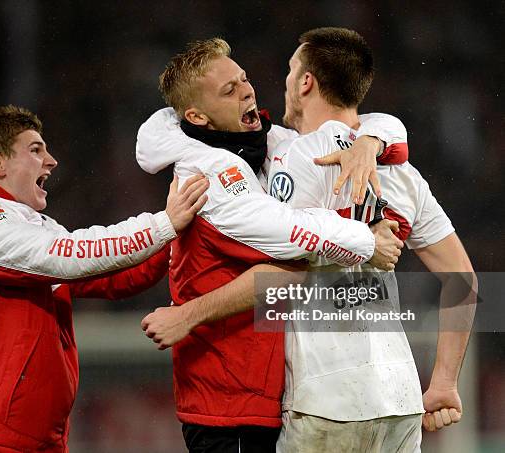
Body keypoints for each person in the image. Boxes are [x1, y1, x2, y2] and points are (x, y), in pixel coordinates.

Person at [142, 28, 476, 452]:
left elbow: (289, 276)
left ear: (305, 82)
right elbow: (462, 280)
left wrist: (190, 313)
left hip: (325, 400)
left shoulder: (292, 157)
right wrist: (444, 381)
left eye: (288, 71)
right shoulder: (406, 175)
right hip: (399, 398)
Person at [0, 105, 209, 452]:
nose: (51, 160)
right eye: (35, 149)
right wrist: (163, 224)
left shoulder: (28, 227)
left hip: (32, 439)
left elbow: (116, 276)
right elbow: (70, 255)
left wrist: (176, 231)